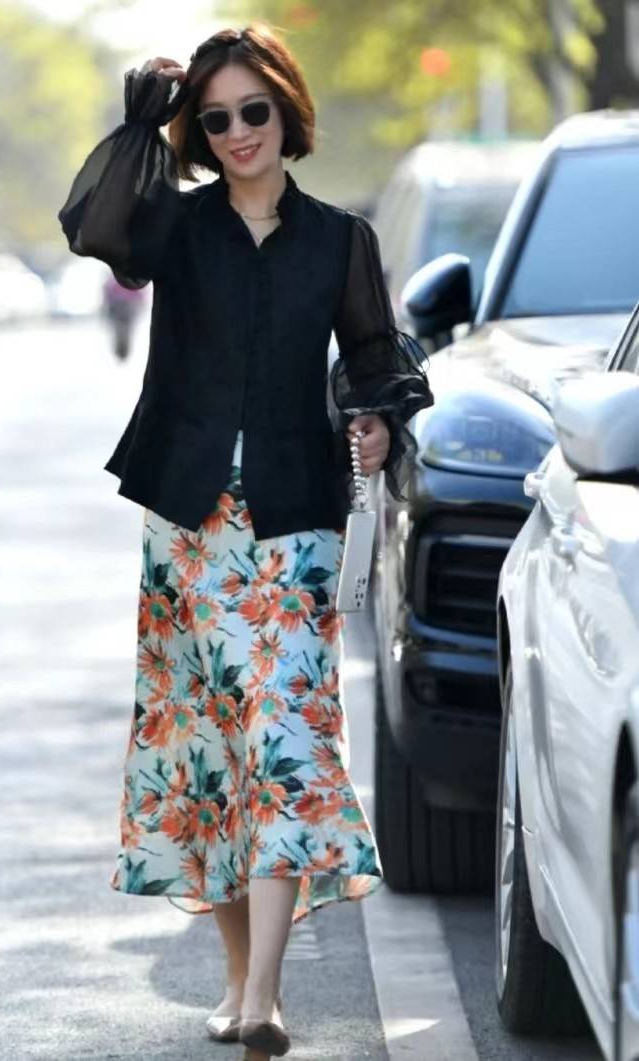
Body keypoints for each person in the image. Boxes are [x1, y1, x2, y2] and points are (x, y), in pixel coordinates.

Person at [58, 23, 433, 1060]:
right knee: (210, 753)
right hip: (188, 523)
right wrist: (146, 121)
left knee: (285, 738)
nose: (236, 133)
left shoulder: (340, 239)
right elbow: (97, 229)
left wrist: (374, 417)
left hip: (294, 519)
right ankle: (235, 975)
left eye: (253, 111)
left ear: (286, 112)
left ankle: (263, 992)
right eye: (215, 118)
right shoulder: (176, 228)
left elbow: (372, 353)